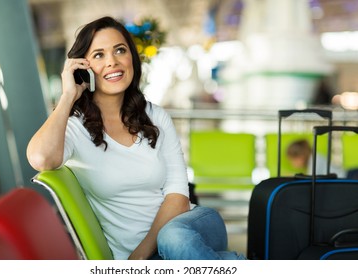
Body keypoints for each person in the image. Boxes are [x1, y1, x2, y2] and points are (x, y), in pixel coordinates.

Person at [26, 16, 245, 260]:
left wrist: (140, 256)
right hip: (161, 258)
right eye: (98, 55)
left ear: (131, 57)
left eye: (120, 50)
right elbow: (41, 158)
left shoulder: (155, 116)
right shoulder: (75, 128)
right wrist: (67, 96)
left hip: (191, 226)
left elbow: (179, 196)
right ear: (82, 67)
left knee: (173, 238)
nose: (112, 62)